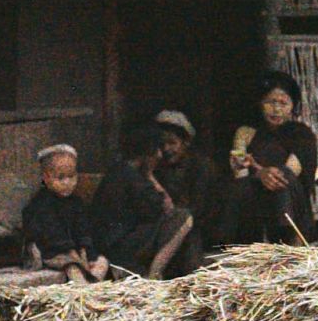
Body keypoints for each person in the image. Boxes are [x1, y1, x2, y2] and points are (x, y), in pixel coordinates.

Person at [90, 111, 212, 278]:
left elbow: (198, 210)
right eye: (160, 147)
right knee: (182, 218)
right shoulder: (134, 175)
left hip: (124, 241)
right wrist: (150, 175)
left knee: (188, 230)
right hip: (119, 248)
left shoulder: (200, 167)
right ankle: (155, 275)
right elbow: (165, 210)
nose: (164, 152)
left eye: (172, 143)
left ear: (186, 143)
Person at [223, 70, 318, 246]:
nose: (276, 109)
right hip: (256, 200)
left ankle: (289, 244)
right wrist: (250, 170)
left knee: (282, 181)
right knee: (238, 187)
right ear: (261, 103)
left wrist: (259, 170)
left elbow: (289, 172)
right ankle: (245, 245)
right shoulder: (246, 133)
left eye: (283, 103)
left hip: (290, 203)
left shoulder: (302, 134)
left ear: (292, 106)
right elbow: (241, 174)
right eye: (270, 102)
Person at [21, 143, 110, 284]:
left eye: (71, 176)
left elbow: (82, 229)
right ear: (46, 177)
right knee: (73, 267)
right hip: (50, 251)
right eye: (60, 178)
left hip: (74, 251)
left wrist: (84, 250)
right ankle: (83, 292)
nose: (67, 183)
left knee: (101, 261)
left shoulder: (75, 202)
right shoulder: (42, 204)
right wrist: (74, 255)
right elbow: (53, 236)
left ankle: (95, 286)